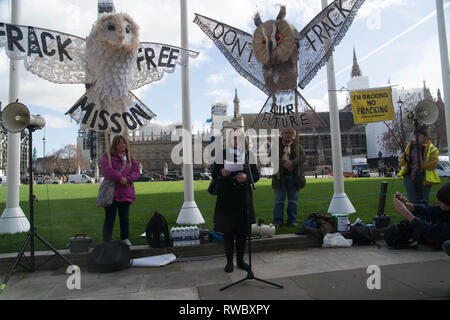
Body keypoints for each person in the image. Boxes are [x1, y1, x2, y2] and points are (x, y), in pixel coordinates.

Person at [212, 129, 259, 273]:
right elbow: (214, 173)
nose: (235, 141)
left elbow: (256, 176)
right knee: (228, 232)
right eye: (233, 138)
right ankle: (229, 262)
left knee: (242, 232)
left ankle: (240, 261)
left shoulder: (248, 155)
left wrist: (247, 178)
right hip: (226, 198)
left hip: (242, 199)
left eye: (238, 138)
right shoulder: (222, 154)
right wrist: (221, 172)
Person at [100, 135, 140, 246]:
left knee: (124, 218)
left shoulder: (129, 157)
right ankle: (107, 240)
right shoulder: (107, 157)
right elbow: (106, 171)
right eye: (119, 143)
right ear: (114, 145)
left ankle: (125, 238)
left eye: (124, 143)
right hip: (111, 192)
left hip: (125, 191)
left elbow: (136, 171)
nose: (122, 145)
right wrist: (120, 178)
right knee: (110, 218)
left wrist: (128, 179)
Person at [392, 182, 450, 249]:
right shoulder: (446, 209)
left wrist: (407, 214)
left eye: (441, 200)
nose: (437, 201)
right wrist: (408, 205)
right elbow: (432, 210)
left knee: (447, 245)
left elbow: (435, 232)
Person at [272, 128, 306, 227]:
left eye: (290, 133)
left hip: (293, 178)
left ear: (293, 135)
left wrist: (292, 163)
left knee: (293, 201)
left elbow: (303, 157)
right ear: (282, 134)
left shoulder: (297, 145)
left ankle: (292, 220)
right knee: (279, 201)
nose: (288, 135)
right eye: (286, 133)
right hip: (280, 178)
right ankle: (278, 221)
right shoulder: (276, 145)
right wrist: (284, 163)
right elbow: (271, 157)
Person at [399, 124, 440, 205]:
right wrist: (405, 159)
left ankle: (423, 217)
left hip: (424, 177)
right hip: (409, 176)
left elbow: (434, 163)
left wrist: (422, 165)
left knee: (423, 201)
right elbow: (402, 162)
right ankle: (413, 217)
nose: (416, 137)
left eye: (419, 135)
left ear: (425, 136)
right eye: (415, 135)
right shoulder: (410, 146)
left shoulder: (431, 148)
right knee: (412, 201)